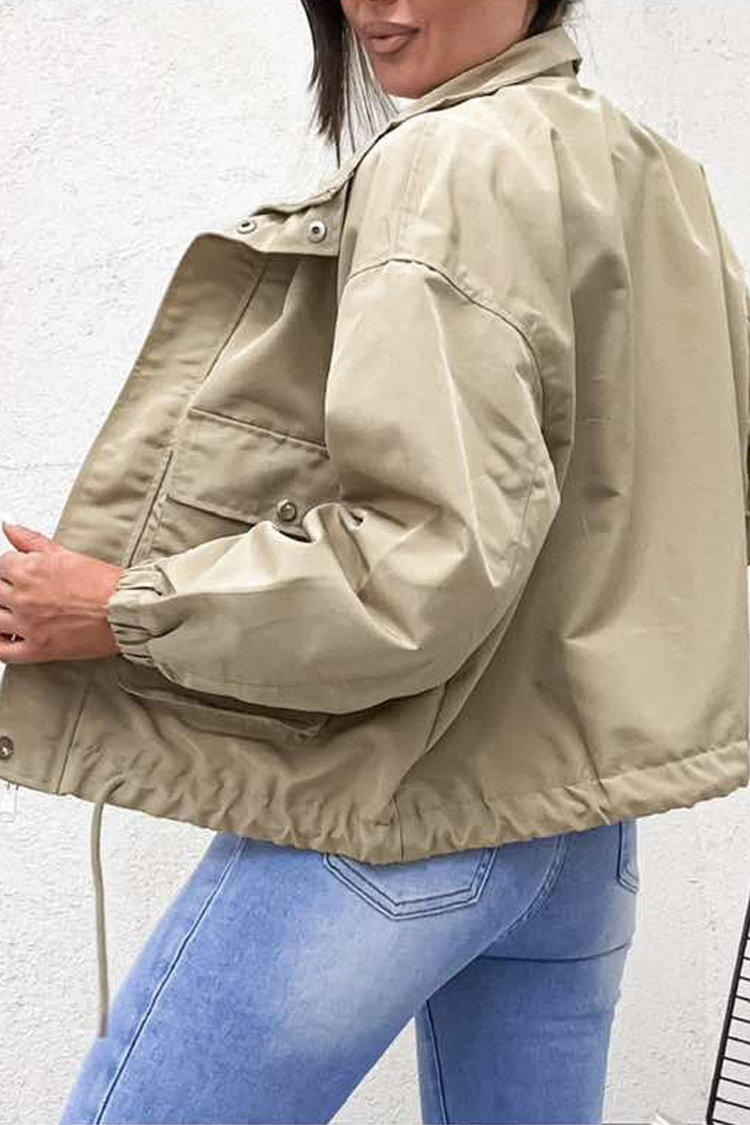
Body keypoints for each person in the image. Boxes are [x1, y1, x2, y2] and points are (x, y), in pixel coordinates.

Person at [0, 0, 747, 1121]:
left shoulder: (447, 166)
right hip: (576, 830)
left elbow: (420, 560)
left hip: (409, 810)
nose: (371, 6)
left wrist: (125, 608)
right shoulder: (651, 172)